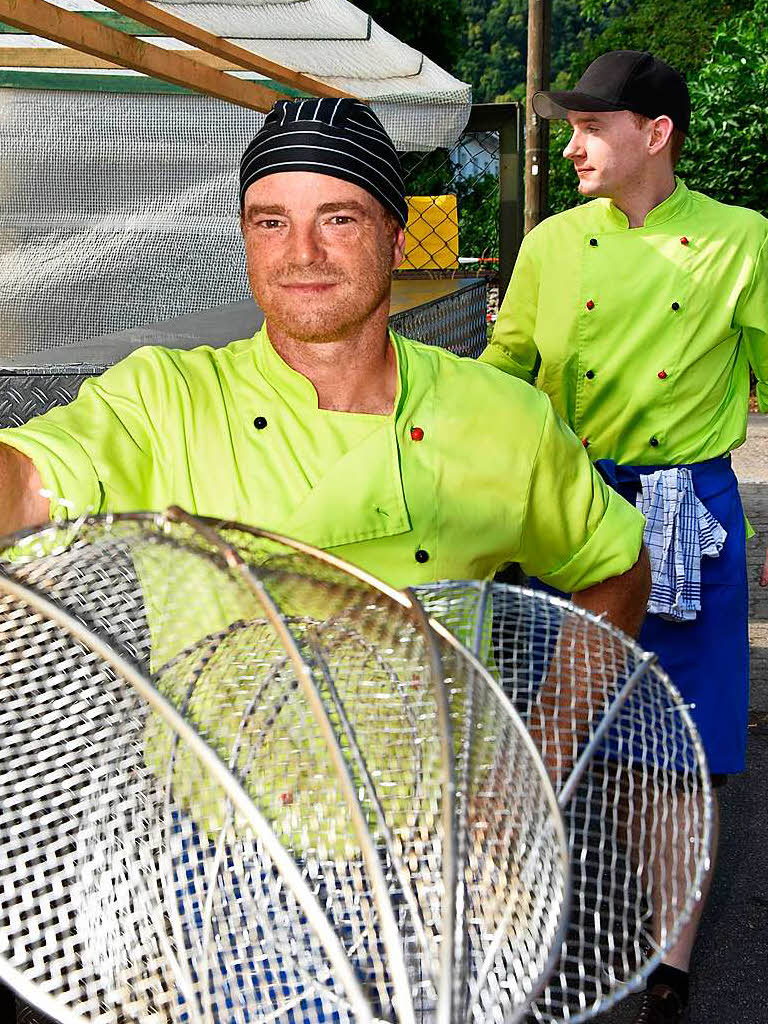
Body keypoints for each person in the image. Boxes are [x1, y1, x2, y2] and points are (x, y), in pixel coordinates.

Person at [0, 97, 649, 634]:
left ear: (396, 240)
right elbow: (25, 487)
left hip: (437, 792)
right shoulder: (164, 398)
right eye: (271, 222)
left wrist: (550, 741)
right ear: (246, 241)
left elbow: (616, 566)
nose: (301, 253)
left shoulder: (506, 419)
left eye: (338, 219)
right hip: (217, 791)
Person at [481, 49, 768, 1024]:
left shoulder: (745, 241)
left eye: (590, 128)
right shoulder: (552, 246)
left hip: (688, 515)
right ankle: (514, 927)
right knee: (547, 730)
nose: (572, 149)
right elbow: (504, 376)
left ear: (656, 133)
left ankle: (672, 963)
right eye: (569, 129)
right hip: (568, 508)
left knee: (673, 743)